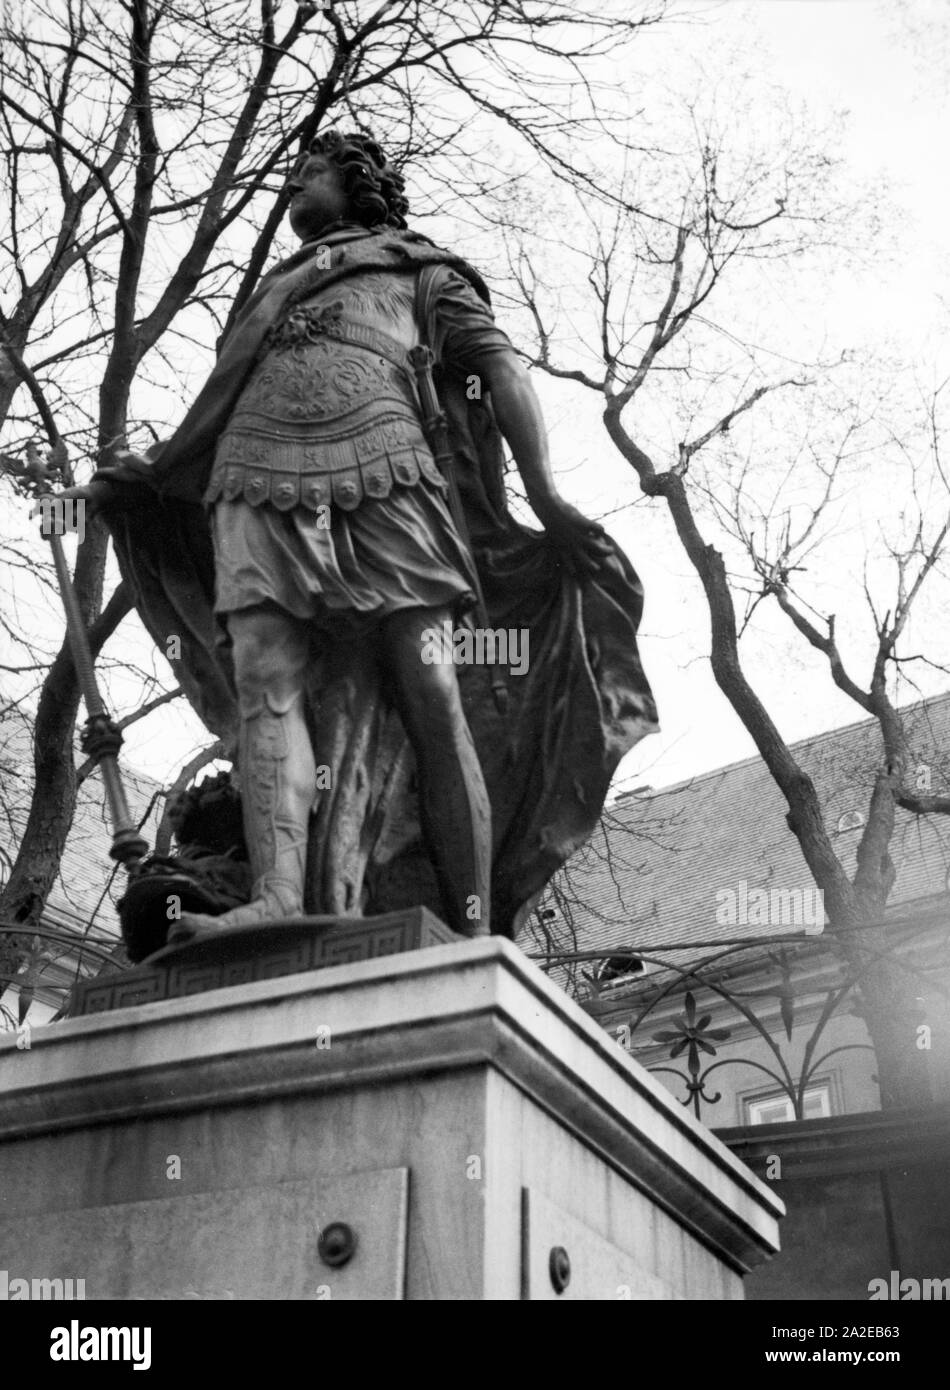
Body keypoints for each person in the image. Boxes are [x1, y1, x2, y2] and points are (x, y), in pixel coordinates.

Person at [65, 130, 658, 944]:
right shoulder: (271, 291)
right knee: (265, 679)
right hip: (251, 478)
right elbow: (214, 408)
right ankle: (277, 894)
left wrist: (547, 493)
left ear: (359, 182)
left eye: (307, 170)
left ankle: (477, 924)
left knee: (432, 692)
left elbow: (500, 368)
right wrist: (137, 480)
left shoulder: (421, 270)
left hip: (389, 471)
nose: (290, 186)